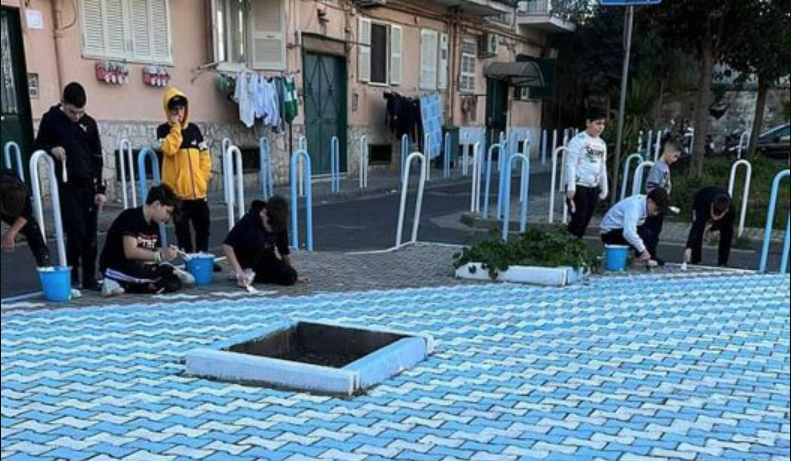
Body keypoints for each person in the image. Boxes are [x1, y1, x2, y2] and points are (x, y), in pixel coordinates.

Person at [34, 82, 106, 290]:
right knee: (76, 232)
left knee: (91, 234)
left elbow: (98, 158)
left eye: (80, 112)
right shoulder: (52, 119)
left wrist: (100, 190)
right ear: (63, 103)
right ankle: (73, 274)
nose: (76, 116)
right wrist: (52, 149)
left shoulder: (89, 124)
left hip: (88, 185)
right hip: (67, 185)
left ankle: (90, 277)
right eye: (72, 112)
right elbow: (37, 145)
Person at [99, 185, 194, 296]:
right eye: (167, 212)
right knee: (161, 281)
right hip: (118, 265)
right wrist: (160, 256)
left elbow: (153, 250)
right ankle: (114, 282)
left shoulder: (154, 223)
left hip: (138, 265)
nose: (167, 217)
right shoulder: (130, 217)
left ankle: (122, 285)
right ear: (157, 205)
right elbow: (130, 252)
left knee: (171, 282)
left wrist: (167, 252)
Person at [156, 88, 214, 262]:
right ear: (168, 111)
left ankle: (203, 259)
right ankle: (189, 261)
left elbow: (204, 156)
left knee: (203, 227)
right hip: (178, 194)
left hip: (198, 192)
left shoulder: (194, 129)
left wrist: (203, 179)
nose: (178, 113)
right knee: (182, 231)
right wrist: (176, 129)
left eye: (181, 108)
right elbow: (169, 149)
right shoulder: (163, 130)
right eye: (174, 110)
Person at [223, 196, 306, 287]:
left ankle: (252, 276)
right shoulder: (249, 221)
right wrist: (239, 271)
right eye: (268, 226)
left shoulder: (280, 223)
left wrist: (291, 272)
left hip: (266, 258)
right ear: (263, 215)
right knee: (258, 237)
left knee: (290, 276)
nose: (269, 230)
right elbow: (227, 245)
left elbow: (284, 250)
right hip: (246, 256)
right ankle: (244, 273)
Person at [565, 107, 609, 239]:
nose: (600, 127)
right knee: (578, 219)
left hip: (593, 186)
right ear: (588, 123)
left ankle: (576, 244)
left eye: (603, 124)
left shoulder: (602, 143)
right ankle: (568, 244)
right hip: (579, 185)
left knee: (585, 221)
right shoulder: (578, 140)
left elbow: (602, 166)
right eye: (597, 123)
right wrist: (571, 186)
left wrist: (604, 187)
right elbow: (571, 164)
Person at [601, 188, 670, 264]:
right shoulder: (635, 206)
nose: (655, 213)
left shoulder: (645, 203)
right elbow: (628, 232)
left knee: (649, 229)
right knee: (644, 233)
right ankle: (637, 258)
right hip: (609, 233)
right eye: (655, 209)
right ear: (650, 201)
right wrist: (643, 250)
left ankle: (638, 256)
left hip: (620, 229)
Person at [643, 136, 683, 263]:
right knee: (651, 230)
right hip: (655, 204)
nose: (675, 160)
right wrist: (659, 200)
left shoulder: (664, 167)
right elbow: (651, 187)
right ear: (668, 152)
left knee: (656, 230)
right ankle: (648, 253)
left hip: (660, 204)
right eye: (675, 156)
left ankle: (651, 253)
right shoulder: (658, 168)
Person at [1, 172, 51, 267]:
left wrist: (11, 234)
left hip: (8, 200)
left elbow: (26, 214)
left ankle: (45, 264)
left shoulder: (20, 191)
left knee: (32, 228)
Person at [684, 187, 735, 267]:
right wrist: (688, 247)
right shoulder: (703, 204)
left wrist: (712, 228)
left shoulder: (730, 210)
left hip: (722, 208)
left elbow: (728, 233)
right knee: (699, 229)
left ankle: (723, 261)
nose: (715, 217)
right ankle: (695, 258)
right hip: (702, 198)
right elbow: (695, 227)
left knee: (727, 233)